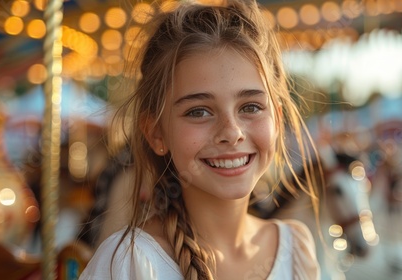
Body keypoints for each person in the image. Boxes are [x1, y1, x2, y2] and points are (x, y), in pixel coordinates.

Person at [80, 0, 320, 279]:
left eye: (251, 107)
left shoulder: (295, 248)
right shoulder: (130, 263)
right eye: (199, 111)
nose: (232, 132)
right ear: (156, 133)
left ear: (277, 120)